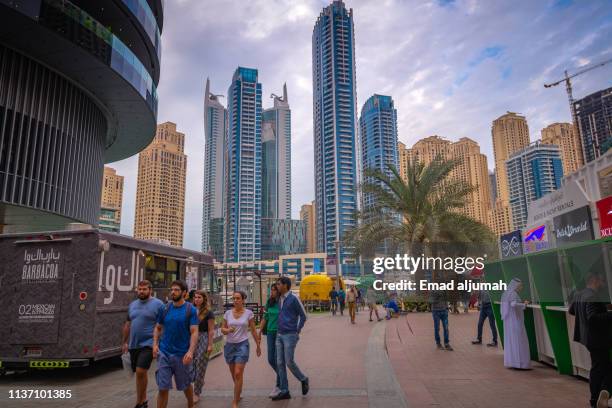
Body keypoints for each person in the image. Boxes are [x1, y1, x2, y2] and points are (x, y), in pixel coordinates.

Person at [152, 280, 199, 408]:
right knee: (162, 387)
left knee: (185, 385)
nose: (173, 292)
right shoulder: (165, 308)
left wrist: (190, 351)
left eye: (177, 290)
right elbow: (157, 328)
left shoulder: (191, 310)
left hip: (182, 355)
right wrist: (155, 344)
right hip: (164, 353)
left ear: (184, 293)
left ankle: (190, 404)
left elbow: (194, 332)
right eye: (172, 289)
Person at [569, 273, 612, 408]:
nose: (603, 283)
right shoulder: (592, 296)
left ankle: (596, 399)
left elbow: (572, 310)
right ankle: (603, 393)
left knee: (598, 368)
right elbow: (593, 318)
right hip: (598, 339)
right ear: (594, 280)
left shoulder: (580, 294)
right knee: (602, 368)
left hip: (589, 338)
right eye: (601, 280)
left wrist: (604, 309)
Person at [122, 280, 165, 408]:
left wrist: (157, 343)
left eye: (144, 289)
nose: (141, 291)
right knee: (139, 374)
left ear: (150, 290)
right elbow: (127, 324)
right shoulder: (132, 305)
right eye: (139, 289)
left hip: (149, 343)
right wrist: (124, 342)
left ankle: (139, 403)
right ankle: (143, 399)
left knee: (141, 371)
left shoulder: (158, 304)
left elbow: (163, 325)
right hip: (134, 344)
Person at [272, 276, 309, 401]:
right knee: (279, 363)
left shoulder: (294, 299)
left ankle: (303, 379)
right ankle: (284, 390)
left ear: (285, 285)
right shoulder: (279, 299)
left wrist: (297, 330)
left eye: (278, 284)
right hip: (279, 334)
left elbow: (304, 316)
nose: (277, 286)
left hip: (290, 335)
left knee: (289, 361)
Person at [222, 291, 261, 408]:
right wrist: (228, 330)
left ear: (243, 300)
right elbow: (222, 329)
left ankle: (235, 401)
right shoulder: (227, 313)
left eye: (238, 298)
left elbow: (253, 330)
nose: (235, 301)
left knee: (238, 373)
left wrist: (258, 345)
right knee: (234, 374)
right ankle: (238, 390)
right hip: (229, 346)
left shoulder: (249, 313)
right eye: (234, 298)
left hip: (242, 345)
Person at [500, 277, 531, 369]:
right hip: (515, 320)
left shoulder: (507, 293)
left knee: (511, 340)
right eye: (520, 286)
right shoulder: (513, 294)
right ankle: (520, 363)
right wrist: (524, 304)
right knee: (518, 339)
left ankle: (512, 361)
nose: (521, 288)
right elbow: (513, 304)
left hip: (509, 321)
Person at [192, 290, 215, 403]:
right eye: (195, 297)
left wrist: (210, 345)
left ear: (204, 299)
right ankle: (199, 380)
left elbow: (211, 330)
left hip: (203, 337)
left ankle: (197, 392)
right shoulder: (190, 310)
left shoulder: (208, 313)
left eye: (199, 297)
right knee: (191, 365)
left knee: (200, 363)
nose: (196, 299)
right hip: (191, 338)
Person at [259, 284, 281, 398]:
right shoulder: (269, 302)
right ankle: (282, 376)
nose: (272, 292)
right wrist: (259, 331)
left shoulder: (282, 302)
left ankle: (279, 385)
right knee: (271, 359)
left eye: (274, 290)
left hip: (280, 333)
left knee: (278, 360)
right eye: (271, 290)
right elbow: (265, 317)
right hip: (270, 332)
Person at [471, 283, 498, 347]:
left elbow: (495, 296)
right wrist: (475, 292)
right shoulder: (482, 287)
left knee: (492, 324)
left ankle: (494, 341)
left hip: (490, 307)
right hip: (483, 307)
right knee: (480, 323)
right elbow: (478, 297)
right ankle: (479, 339)